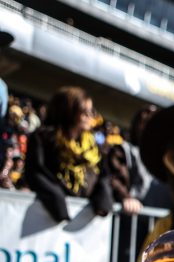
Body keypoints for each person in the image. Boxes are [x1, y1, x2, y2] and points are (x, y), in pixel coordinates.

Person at [24, 86, 112, 222]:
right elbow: (36, 173)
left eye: (91, 111)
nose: (90, 116)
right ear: (69, 111)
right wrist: (56, 200)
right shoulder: (44, 138)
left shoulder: (93, 145)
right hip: (47, 217)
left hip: (83, 220)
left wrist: (102, 200)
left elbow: (104, 176)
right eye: (84, 111)